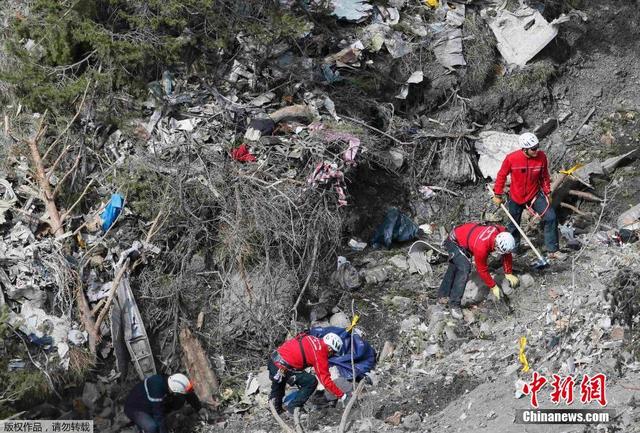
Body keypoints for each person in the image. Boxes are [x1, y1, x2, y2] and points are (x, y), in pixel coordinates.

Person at [493, 132, 563, 259]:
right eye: (533, 149)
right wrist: (498, 194)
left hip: (534, 195)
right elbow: (501, 175)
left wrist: (548, 192)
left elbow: (544, 176)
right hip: (516, 196)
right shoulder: (512, 158)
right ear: (524, 149)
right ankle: (513, 249)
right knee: (513, 224)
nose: (537, 150)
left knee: (551, 217)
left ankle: (552, 250)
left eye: (537, 147)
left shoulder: (541, 157)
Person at [437, 223, 518, 319]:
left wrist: (508, 272)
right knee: (464, 268)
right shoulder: (481, 248)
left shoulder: (501, 231)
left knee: (454, 265)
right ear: (496, 245)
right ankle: (454, 304)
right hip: (454, 241)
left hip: (466, 233)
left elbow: (506, 253)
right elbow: (482, 269)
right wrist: (493, 286)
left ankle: (442, 295)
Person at [268, 332, 349, 415]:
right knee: (311, 382)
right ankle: (294, 407)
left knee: (279, 386)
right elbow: (326, 381)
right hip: (283, 368)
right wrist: (342, 396)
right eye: (333, 353)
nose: (331, 355)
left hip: (273, 360)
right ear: (330, 349)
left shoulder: (311, 338)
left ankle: (275, 409)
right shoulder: (320, 353)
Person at [124, 373, 201, 433]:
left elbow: (188, 393)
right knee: (152, 427)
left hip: (152, 403)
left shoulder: (172, 380)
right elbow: (159, 417)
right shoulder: (156, 390)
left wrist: (199, 408)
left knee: (181, 398)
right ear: (174, 390)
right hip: (136, 408)